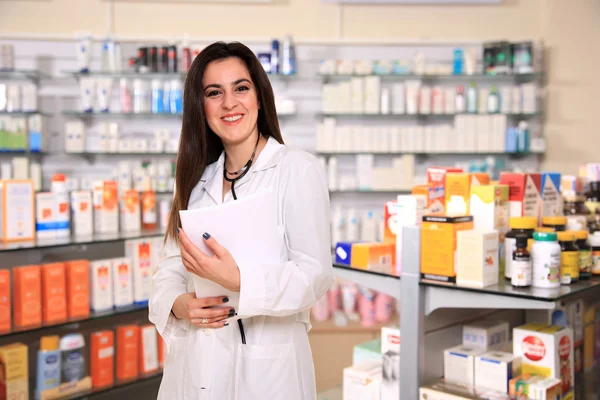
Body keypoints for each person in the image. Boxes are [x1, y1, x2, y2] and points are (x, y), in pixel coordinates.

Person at [149, 41, 334, 400]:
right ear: (200, 107)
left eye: (241, 88)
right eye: (214, 92)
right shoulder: (196, 181)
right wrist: (178, 303)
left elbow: (315, 274)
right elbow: (169, 269)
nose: (229, 103)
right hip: (197, 365)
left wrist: (237, 279)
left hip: (268, 372)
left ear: (260, 97)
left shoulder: (296, 169)